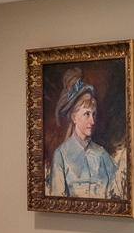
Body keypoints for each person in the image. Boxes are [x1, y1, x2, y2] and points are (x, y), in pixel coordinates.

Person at [45, 68, 123, 199]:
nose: (92, 121)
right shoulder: (61, 155)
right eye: (87, 114)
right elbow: (57, 199)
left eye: (94, 114)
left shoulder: (102, 155)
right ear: (74, 117)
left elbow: (118, 193)